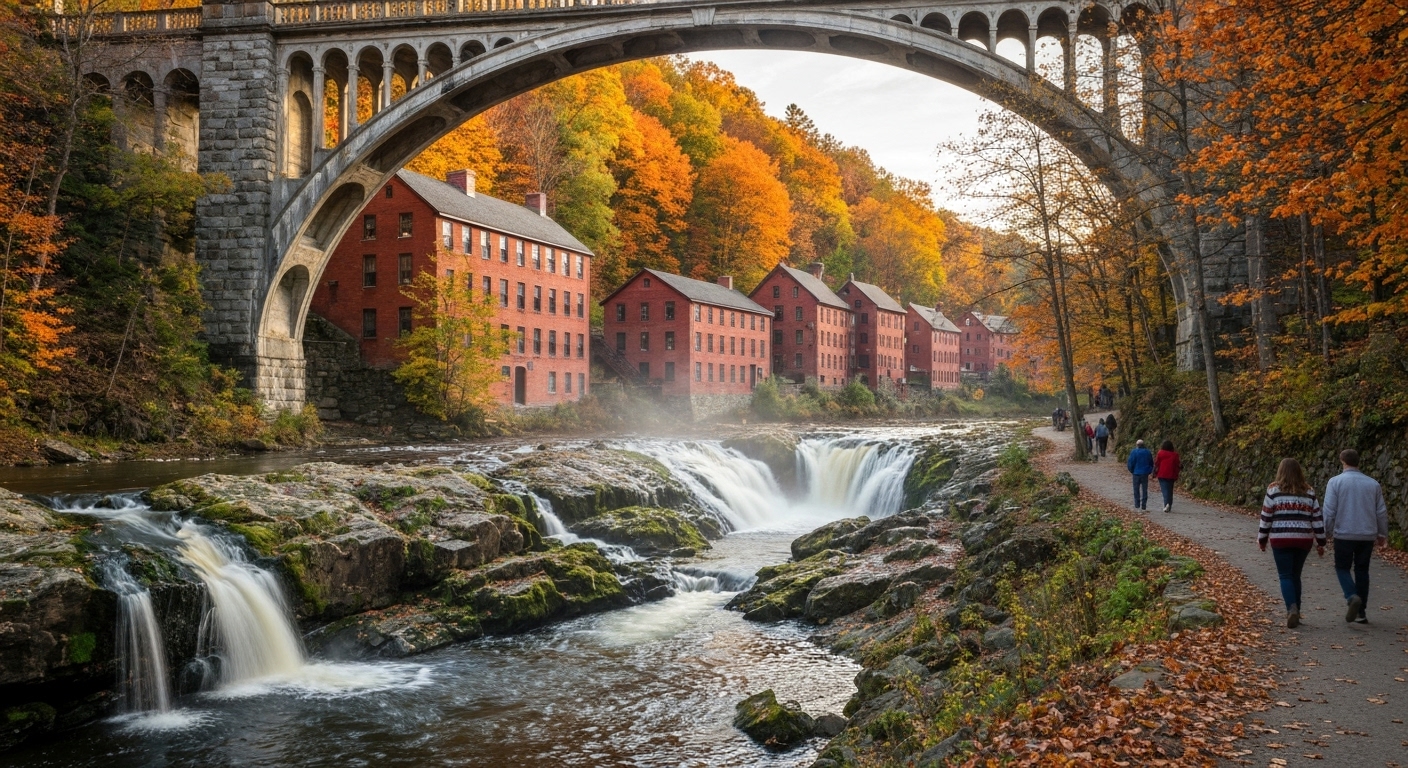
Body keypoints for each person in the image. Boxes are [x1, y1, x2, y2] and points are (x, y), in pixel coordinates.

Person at [1321, 449, 1390, 623]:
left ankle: (1352, 596)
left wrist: (1325, 532)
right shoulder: (1373, 484)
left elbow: (1329, 511)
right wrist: (1382, 534)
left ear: (1342, 461)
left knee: (1342, 568)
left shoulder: (1335, 482)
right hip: (1367, 534)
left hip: (1344, 533)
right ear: (1358, 462)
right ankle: (1361, 612)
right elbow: (1381, 512)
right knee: (1362, 570)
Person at [1258, 458, 1326, 628]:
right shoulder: (1309, 492)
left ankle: (1291, 609)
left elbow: (1266, 516)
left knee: (1285, 575)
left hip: (1281, 538)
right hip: (1303, 540)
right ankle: (1297, 612)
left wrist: (1262, 538)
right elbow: (1317, 518)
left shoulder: (1273, 490)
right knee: (1296, 575)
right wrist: (1321, 541)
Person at [1154, 440, 1181, 513]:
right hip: (1171, 474)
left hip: (1162, 474)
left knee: (1164, 490)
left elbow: (1157, 463)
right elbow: (1177, 464)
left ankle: (1166, 504)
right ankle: (1169, 504)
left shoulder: (1160, 453)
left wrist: (1154, 471)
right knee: (1170, 490)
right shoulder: (1175, 455)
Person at [1126, 439, 1154, 511]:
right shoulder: (1147, 452)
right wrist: (1149, 470)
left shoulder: (1134, 452)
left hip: (1136, 473)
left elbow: (1130, 462)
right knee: (1144, 490)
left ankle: (1137, 504)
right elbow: (1151, 462)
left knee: (1136, 489)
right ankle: (1144, 505)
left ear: (1137, 445)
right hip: (1145, 473)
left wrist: (1132, 470)